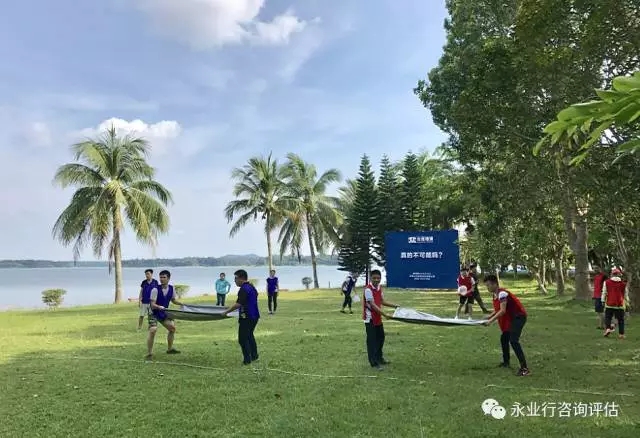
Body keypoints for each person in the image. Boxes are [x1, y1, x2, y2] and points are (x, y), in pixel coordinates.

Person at [482, 274, 530, 376]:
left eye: (488, 285)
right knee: (504, 338)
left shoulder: (502, 294)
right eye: (486, 285)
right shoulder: (495, 295)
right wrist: (489, 316)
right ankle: (506, 362)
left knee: (513, 340)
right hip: (513, 318)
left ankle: (524, 368)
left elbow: (502, 311)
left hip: (519, 317)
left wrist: (490, 321)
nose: (487, 287)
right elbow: (498, 309)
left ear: (495, 284)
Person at [363, 269, 399, 371]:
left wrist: (395, 306)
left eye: (378, 278)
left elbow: (382, 301)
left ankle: (379, 358)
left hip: (378, 317)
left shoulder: (379, 288)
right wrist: (385, 314)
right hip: (370, 319)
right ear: (370, 278)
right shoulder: (368, 290)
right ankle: (374, 363)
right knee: (372, 341)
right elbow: (373, 305)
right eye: (374, 278)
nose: (376, 280)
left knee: (381, 338)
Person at [222, 269, 260, 365]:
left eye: (235, 278)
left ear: (241, 278)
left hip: (247, 317)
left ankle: (247, 360)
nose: (234, 280)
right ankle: (254, 355)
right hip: (255, 315)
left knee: (242, 339)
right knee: (249, 335)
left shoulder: (243, 289)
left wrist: (226, 312)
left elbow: (238, 304)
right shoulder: (251, 286)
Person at [146, 270, 185, 360]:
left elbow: (173, 300)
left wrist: (181, 304)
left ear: (168, 278)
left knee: (172, 329)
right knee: (153, 330)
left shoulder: (171, 289)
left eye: (164, 277)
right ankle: (149, 353)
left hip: (163, 312)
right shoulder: (155, 290)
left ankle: (170, 349)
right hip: (153, 312)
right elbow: (152, 304)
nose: (162, 279)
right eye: (160, 277)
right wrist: (159, 307)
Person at [602, 268, 629, 339]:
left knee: (608, 317)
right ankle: (621, 334)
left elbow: (604, 292)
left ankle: (608, 328)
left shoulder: (606, 282)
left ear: (612, 274)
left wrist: (602, 301)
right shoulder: (623, 284)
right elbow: (625, 295)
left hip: (609, 303)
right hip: (620, 304)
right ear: (619, 275)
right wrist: (627, 303)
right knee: (621, 320)